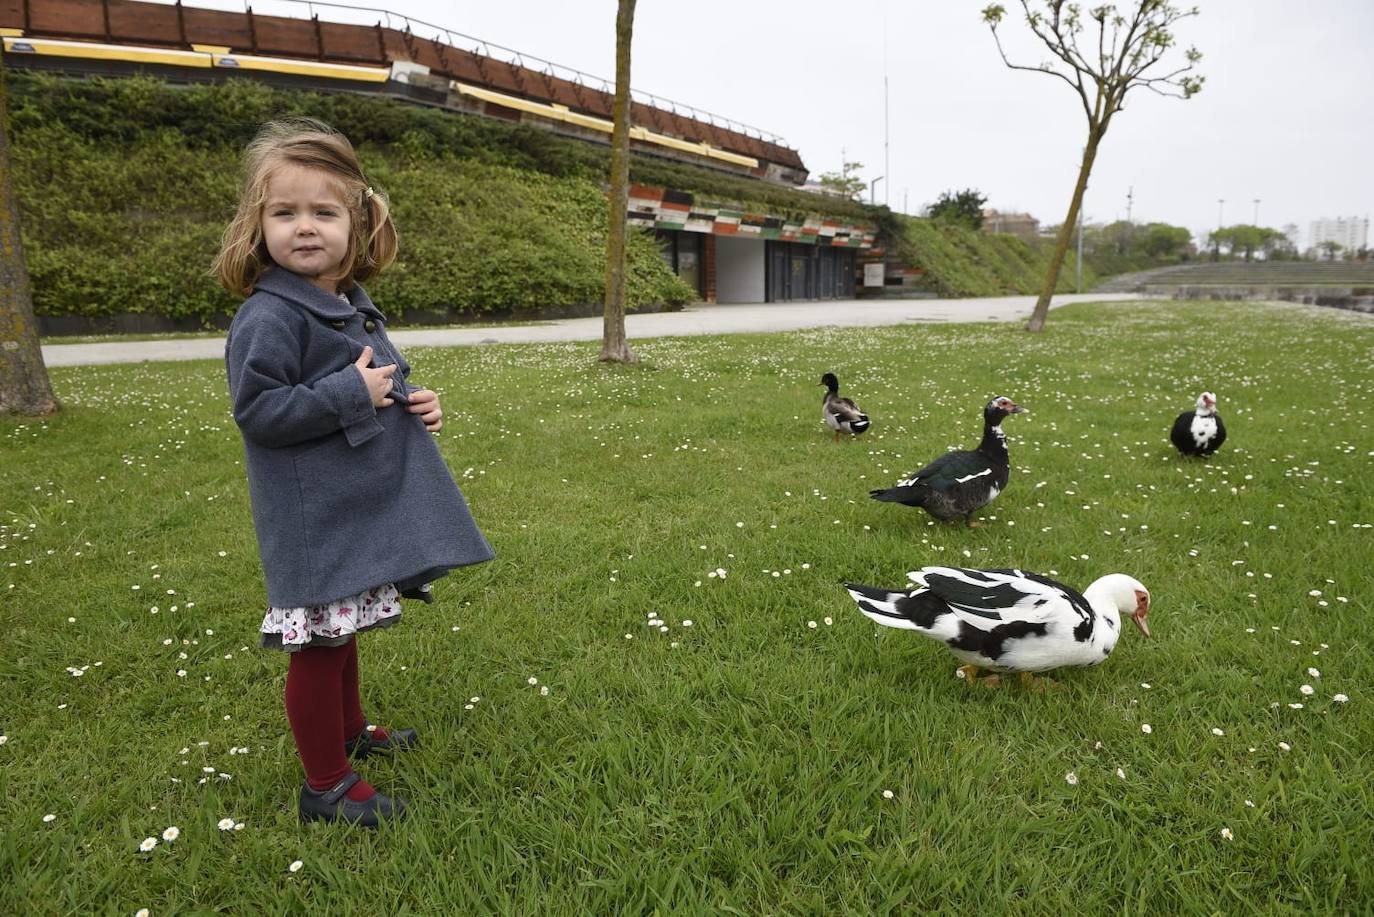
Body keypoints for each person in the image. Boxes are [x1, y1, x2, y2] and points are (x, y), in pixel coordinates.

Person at [213, 118, 494, 826]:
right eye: (285, 212)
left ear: (358, 223)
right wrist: (353, 394)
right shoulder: (270, 315)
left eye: (323, 212)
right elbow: (260, 411)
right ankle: (326, 786)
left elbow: (375, 377)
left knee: (344, 635)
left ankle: (348, 731)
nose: (304, 227)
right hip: (313, 519)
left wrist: (410, 399)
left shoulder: (345, 304)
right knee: (318, 645)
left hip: (349, 508)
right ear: (258, 224)